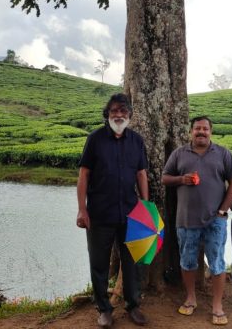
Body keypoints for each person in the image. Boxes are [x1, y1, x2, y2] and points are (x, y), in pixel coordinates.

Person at [76, 93, 150, 328]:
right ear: (107, 114)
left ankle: (133, 305)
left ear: (129, 115)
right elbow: (84, 175)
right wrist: (81, 210)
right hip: (99, 213)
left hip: (130, 213)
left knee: (132, 262)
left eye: (123, 111)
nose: (119, 115)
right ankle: (104, 309)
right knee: (98, 262)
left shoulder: (136, 141)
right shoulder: (95, 139)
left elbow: (141, 174)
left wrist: (146, 207)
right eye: (114, 111)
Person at [162, 116, 232, 326]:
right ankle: (190, 298)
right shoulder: (179, 154)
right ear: (191, 132)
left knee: (217, 263)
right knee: (187, 261)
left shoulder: (223, 154)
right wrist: (182, 179)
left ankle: (217, 305)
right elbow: (165, 178)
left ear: (210, 132)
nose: (201, 132)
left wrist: (223, 210)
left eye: (205, 129)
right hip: (186, 220)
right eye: (197, 128)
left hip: (215, 221)